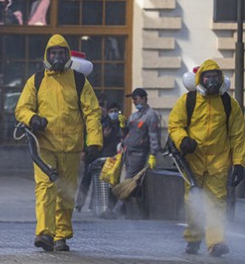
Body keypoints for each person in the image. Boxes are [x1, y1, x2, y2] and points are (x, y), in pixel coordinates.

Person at [15, 34, 102, 252]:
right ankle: (45, 233)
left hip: (71, 148)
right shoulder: (36, 81)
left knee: (66, 192)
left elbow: (92, 112)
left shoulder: (79, 81)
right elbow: (22, 108)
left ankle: (61, 235)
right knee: (45, 188)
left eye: (61, 53)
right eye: (53, 53)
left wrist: (94, 141)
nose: (57, 57)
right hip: (44, 145)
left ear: (67, 55)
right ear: (47, 55)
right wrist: (33, 119)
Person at [168, 59, 245, 257]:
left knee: (216, 202)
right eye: (207, 77)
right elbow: (175, 125)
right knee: (193, 201)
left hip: (218, 162)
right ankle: (193, 238)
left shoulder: (229, 104)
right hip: (193, 160)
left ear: (220, 79)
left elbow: (238, 136)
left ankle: (216, 242)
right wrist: (183, 140)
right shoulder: (188, 100)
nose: (211, 81)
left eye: (215, 77)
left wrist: (239, 163)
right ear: (200, 79)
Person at [75, 101, 123, 216]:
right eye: (111, 112)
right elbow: (89, 137)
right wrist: (84, 150)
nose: (114, 114)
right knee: (88, 179)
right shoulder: (101, 123)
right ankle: (79, 203)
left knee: (106, 182)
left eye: (115, 111)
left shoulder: (121, 124)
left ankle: (101, 206)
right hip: (95, 155)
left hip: (112, 157)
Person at [120, 87, 160, 218]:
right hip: (128, 152)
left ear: (143, 98)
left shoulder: (151, 115)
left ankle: (117, 209)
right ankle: (130, 212)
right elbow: (127, 134)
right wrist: (122, 126)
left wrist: (153, 154)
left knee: (128, 181)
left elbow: (153, 136)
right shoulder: (134, 115)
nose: (133, 102)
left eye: (135, 99)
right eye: (132, 99)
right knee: (132, 183)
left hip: (140, 154)